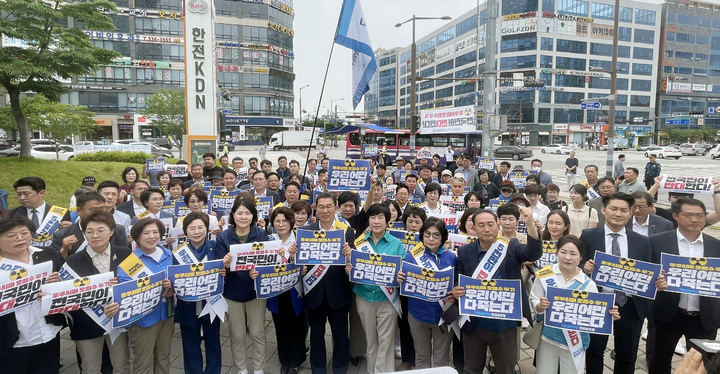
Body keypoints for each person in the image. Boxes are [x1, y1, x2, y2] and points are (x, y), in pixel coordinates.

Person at [451, 208, 541, 374]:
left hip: (504, 324)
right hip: (474, 322)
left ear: (497, 225)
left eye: (490, 224)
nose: (486, 229)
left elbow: (533, 253)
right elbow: (458, 279)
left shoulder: (511, 246)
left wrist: (530, 224)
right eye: (481, 225)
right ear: (474, 228)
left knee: (506, 369)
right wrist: (456, 292)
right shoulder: (464, 252)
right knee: (471, 368)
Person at [580, 192, 660, 374]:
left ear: (630, 213)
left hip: (630, 305)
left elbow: (648, 272)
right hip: (598, 301)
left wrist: (658, 279)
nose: (618, 214)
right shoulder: (589, 235)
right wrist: (585, 267)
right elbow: (578, 262)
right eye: (613, 209)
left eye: (624, 210)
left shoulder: (642, 241)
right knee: (594, 351)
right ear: (603, 210)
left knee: (627, 354)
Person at [648, 198, 720, 374]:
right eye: (689, 215)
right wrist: (655, 282)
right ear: (675, 216)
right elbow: (645, 274)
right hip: (668, 314)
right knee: (659, 360)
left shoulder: (716, 245)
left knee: (701, 365)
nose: (695, 219)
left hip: (705, 318)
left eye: (700, 215)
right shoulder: (656, 242)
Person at [530, 235, 619, 373]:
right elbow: (534, 298)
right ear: (556, 252)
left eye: (573, 253)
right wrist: (540, 306)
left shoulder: (588, 284)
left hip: (575, 342)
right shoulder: (545, 275)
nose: (567, 257)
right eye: (563, 252)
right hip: (548, 337)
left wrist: (608, 316)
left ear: (581, 257)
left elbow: (595, 315)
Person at [104, 218, 175, 374]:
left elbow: (176, 280)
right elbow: (126, 291)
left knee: (163, 357)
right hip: (143, 319)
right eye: (146, 233)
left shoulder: (168, 254)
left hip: (167, 315)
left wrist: (172, 289)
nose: (152, 236)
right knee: (143, 362)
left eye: (155, 232)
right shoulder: (129, 262)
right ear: (137, 238)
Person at [65, 211, 131, 374]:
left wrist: (121, 285)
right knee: (90, 368)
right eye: (89, 231)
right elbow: (67, 297)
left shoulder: (126, 254)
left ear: (111, 231)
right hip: (86, 324)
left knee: (121, 366)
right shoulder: (72, 261)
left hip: (118, 321)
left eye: (101, 230)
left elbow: (136, 286)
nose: (95, 235)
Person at [0, 216, 67, 374]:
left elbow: (65, 286)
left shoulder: (46, 254)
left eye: (24, 233)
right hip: (12, 340)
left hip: (48, 332)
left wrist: (57, 283)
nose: (20, 238)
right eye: (11, 235)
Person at [345, 203, 406, 373]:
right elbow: (352, 270)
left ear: (388, 222)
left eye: (381, 217)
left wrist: (401, 275)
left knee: (386, 343)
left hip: (387, 299)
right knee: (371, 343)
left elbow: (403, 270)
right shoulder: (360, 243)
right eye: (373, 217)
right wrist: (348, 270)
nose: (376, 221)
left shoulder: (396, 244)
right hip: (364, 297)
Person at [301, 192, 355, 374]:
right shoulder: (306, 231)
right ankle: (318, 369)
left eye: (329, 206)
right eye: (321, 207)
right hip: (314, 292)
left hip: (338, 292)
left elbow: (353, 263)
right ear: (316, 209)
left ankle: (340, 368)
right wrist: (294, 254)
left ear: (336, 208)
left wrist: (350, 254)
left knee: (340, 335)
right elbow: (300, 262)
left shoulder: (346, 231)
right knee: (316, 335)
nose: (325, 211)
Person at [217, 198, 271, 374]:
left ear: (253, 215)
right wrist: (224, 264)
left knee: (257, 333)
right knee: (237, 334)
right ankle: (241, 369)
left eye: (247, 213)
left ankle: (259, 368)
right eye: (240, 213)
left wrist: (260, 271)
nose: (243, 217)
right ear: (233, 215)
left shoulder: (261, 234)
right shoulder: (224, 237)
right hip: (232, 292)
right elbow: (219, 267)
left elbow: (267, 261)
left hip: (255, 291)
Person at [397, 217, 456, 369]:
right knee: (421, 356)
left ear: (443, 237)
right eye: (427, 234)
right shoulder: (412, 256)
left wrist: (456, 292)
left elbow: (458, 284)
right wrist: (400, 278)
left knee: (441, 359)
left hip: (444, 315)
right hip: (417, 314)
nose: (431, 239)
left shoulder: (452, 258)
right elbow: (405, 282)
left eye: (436, 235)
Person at [255, 207, 305, 374]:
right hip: (275, 291)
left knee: (296, 326)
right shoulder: (268, 240)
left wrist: (293, 259)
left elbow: (306, 264)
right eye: (277, 221)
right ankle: (284, 359)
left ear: (291, 222)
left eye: (284, 221)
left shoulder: (300, 240)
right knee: (280, 326)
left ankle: (296, 360)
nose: (281, 224)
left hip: (294, 291)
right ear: (272, 223)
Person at [50, 191, 128, 258]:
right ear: (79, 211)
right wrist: (64, 251)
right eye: (93, 209)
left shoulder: (117, 230)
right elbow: (55, 264)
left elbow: (124, 257)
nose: (98, 213)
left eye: (102, 209)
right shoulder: (62, 235)